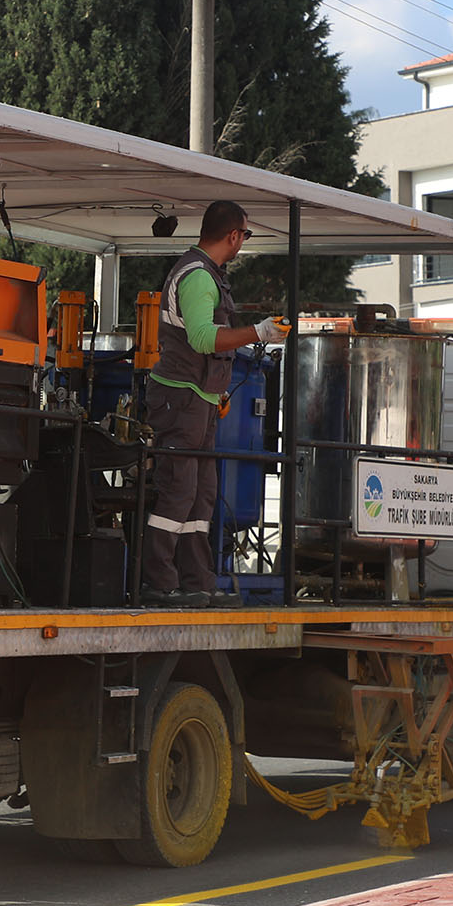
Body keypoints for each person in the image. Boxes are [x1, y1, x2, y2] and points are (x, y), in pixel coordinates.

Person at [140, 200, 287, 608]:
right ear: (234, 235)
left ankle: (195, 584)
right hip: (181, 398)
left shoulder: (204, 274)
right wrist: (258, 332)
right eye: (245, 235)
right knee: (178, 493)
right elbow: (203, 339)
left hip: (195, 399)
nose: (243, 242)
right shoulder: (199, 278)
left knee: (200, 495)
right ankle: (159, 584)